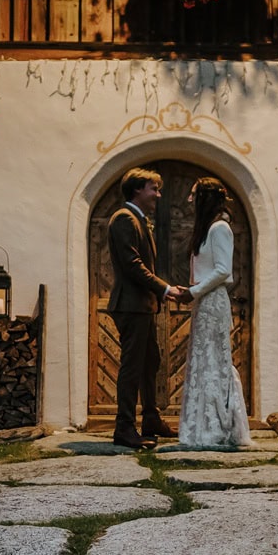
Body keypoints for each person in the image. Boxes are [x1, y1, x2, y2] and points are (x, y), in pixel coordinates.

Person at [107, 167, 186, 449]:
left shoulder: (138, 219)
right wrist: (164, 288)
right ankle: (124, 428)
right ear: (138, 189)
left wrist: (159, 293)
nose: (158, 195)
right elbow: (132, 265)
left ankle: (151, 418)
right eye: (154, 188)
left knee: (150, 360)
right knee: (132, 366)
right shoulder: (124, 219)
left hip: (142, 305)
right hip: (130, 306)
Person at [178, 177, 252, 449]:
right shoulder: (207, 230)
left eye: (194, 198)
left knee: (214, 362)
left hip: (213, 301)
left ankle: (217, 427)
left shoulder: (221, 228)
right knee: (203, 361)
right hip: (204, 301)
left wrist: (194, 291)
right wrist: (190, 289)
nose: (191, 204)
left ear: (204, 200)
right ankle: (200, 428)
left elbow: (223, 270)